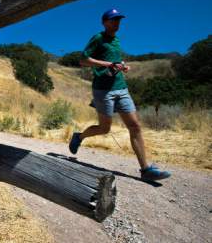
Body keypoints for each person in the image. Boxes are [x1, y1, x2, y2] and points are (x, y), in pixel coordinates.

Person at [69, 9, 171, 182]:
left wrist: (121, 66)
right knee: (104, 129)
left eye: (118, 20)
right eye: (113, 20)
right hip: (103, 90)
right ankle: (79, 137)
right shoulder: (98, 38)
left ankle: (145, 169)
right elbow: (83, 60)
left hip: (121, 88)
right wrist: (108, 64)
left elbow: (114, 63)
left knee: (135, 126)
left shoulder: (116, 40)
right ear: (104, 22)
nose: (117, 23)